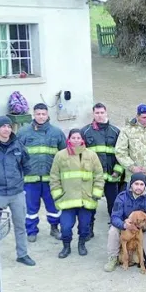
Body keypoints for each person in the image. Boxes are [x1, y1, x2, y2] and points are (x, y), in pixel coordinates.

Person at [0, 116, 34, 266]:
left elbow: (27, 165)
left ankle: (22, 254)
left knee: (20, 225)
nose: (6, 129)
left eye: (9, 126)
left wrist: (18, 180)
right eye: (3, 126)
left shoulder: (18, 145)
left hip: (16, 193)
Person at [49, 129, 104, 259]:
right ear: (69, 139)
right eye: (73, 138)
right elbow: (54, 177)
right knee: (66, 227)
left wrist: (96, 193)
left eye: (78, 138)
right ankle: (66, 246)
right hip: (67, 199)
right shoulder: (60, 155)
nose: (76, 140)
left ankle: (81, 244)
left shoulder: (91, 155)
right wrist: (57, 195)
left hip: (87, 199)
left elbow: (99, 176)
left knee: (85, 226)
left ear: (82, 140)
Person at [18, 103, 66, 242]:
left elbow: (64, 155)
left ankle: (54, 228)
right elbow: (17, 155)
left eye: (43, 114)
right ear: (34, 114)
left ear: (47, 115)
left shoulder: (56, 132)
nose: (41, 116)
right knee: (31, 209)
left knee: (54, 206)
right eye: (38, 114)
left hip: (51, 180)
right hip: (30, 180)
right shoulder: (23, 132)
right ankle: (31, 231)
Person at [103, 172, 146, 272]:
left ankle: (143, 258)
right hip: (125, 225)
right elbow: (114, 217)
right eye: (136, 184)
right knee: (113, 230)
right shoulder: (122, 197)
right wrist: (124, 224)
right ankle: (113, 258)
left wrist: (142, 225)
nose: (138, 187)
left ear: (145, 185)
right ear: (131, 184)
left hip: (142, 226)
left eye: (141, 184)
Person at [81, 103, 125, 233]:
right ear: (93, 114)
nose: (99, 115)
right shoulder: (85, 131)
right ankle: (89, 230)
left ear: (106, 113)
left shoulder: (116, 131)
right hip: (93, 177)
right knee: (91, 204)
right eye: (97, 113)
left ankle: (115, 228)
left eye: (102, 113)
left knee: (114, 204)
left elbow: (121, 154)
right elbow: (80, 155)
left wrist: (118, 171)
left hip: (112, 177)